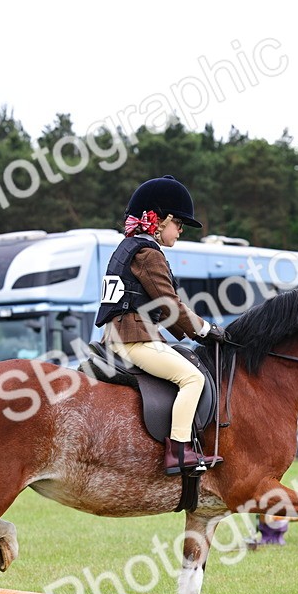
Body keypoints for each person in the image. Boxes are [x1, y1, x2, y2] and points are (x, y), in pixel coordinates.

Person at [94, 175, 227, 475]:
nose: (180, 231)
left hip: (117, 336)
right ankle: (180, 451)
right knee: (193, 379)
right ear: (162, 219)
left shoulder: (128, 247)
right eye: (178, 224)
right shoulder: (148, 253)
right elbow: (169, 305)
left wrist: (188, 332)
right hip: (134, 339)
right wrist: (205, 330)